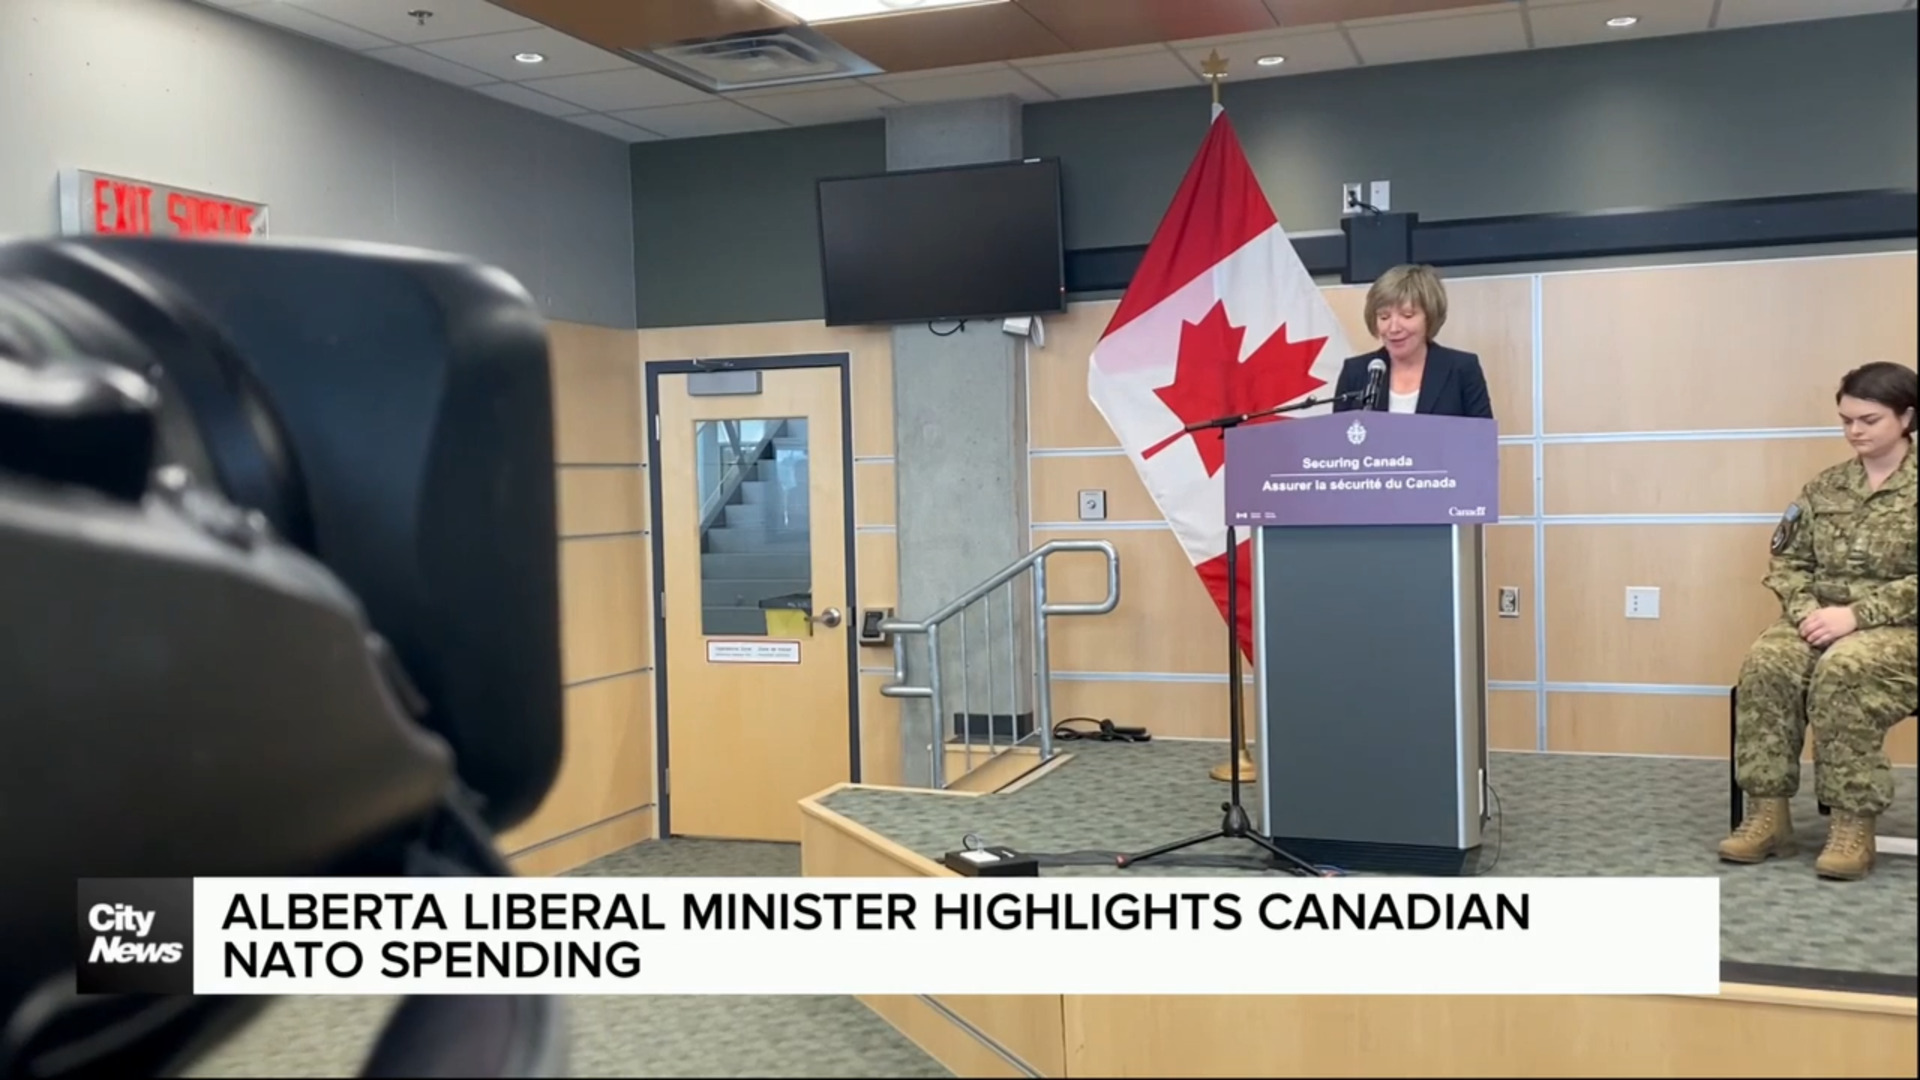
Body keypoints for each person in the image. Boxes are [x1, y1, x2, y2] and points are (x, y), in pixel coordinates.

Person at [1721, 361, 1918, 881]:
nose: (1855, 431)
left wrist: (1856, 616)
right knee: (1768, 661)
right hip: (1822, 618)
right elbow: (1787, 562)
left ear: (1906, 417)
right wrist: (1809, 614)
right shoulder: (1826, 487)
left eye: (1869, 420)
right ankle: (1767, 816)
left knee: (1846, 669)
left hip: (1901, 629)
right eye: (1846, 420)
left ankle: (1853, 825)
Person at [1332, 263, 1493, 419]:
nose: (1394, 328)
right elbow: (1339, 435)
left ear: (1429, 316)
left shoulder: (1462, 370)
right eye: (1384, 317)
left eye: (1407, 315)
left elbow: (1481, 435)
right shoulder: (1356, 372)